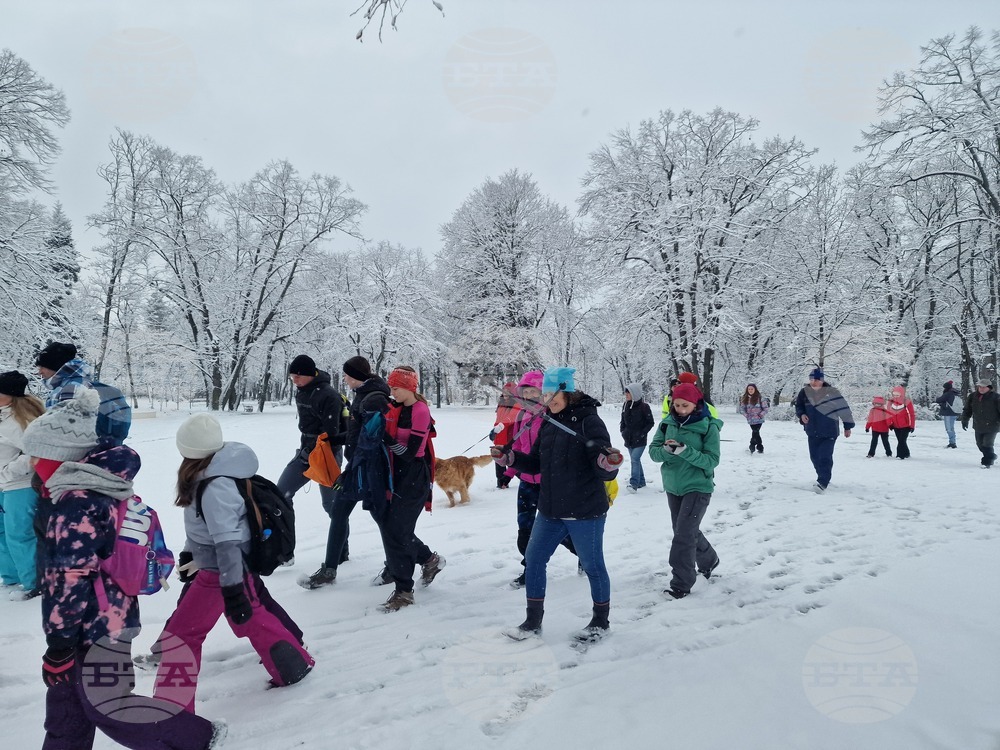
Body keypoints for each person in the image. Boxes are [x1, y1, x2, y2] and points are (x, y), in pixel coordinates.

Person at [22, 389, 225, 750]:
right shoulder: (101, 488)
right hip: (108, 619)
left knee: (112, 707)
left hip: (95, 630)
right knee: (67, 709)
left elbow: (68, 578)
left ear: (57, 457)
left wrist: (59, 645)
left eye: (35, 454)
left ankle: (201, 738)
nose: (31, 463)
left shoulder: (75, 504)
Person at [153, 414, 314, 712]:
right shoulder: (209, 475)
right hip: (226, 568)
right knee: (253, 620)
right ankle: (293, 666)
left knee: (183, 637)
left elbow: (226, 542)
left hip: (221, 572)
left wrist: (232, 588)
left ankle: (171, 712)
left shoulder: (215, 486)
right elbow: (205, 527)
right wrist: (191, 552)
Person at [493, 366, 622, 643]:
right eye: (545, 394)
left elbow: (604, 464)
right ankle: (532, 622)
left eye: (553, 394)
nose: (547, 399)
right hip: (551, 508)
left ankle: (600, 621)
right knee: (535, 559)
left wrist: (607, 463)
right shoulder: (548, 422)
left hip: (585, 510)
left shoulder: (589, 421)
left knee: (593, 565)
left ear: (568, 391)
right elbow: (537, 461)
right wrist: (510, 459)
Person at [376, 366, 445, 612]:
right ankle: (428, 559)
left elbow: (410, 454)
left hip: (414, 477)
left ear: (408, 387)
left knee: (397, 531)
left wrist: (385, 438)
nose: (391, 392)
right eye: (391, 388)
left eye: (395, 388)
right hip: (397, 477)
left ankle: (404, 591)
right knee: (395, 530)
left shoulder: (420, 411)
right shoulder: (398, 408)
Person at [274, 354, 348, 583]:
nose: (294, 379)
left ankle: (341, 551)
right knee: (281, 495)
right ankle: (285, 552)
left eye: (298, 376)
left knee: (332, 505)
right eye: (292, 376)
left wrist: (313, 450)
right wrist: (305, 451)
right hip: (306, 453)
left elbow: (332, 434)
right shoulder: (303, 389)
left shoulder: (329, 396)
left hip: (327, 455)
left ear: (310, 374)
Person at [502, 370, 577, 589]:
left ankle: (581, 552)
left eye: (534, 391)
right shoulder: (520, 416)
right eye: (525, 391)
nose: (528, 395)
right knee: (524, 529)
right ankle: (530, 568)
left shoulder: (551, 418)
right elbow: (516, 445)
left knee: (555, 529)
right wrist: (509, 472)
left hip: (549, 483)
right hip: (526, 481)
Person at [648, 381, 722, 600]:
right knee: (685, 531)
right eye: (676, 405)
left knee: (683, 535)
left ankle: (681, 584)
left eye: (684, 406)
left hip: (698, 486)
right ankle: (709, 560)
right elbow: (653, 453)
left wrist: (685, 451)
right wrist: (666, 451)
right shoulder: (666, 424)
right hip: (673, 486)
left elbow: (712, 461)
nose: (679, 409)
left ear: (696, 405)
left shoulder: (709, 426)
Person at [337, 356, 393, 588]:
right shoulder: (361, 396)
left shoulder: (373, 399)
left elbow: (370, 439)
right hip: (358, 463)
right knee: (341, 510)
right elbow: (358, 432)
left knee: (382, 517)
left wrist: (353, 466)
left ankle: (408, 561)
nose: (345, 379)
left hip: (370, 467)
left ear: (357, 376)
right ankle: (330, 567)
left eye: (347, 375)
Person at [0, 371, 45, 600]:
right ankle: (11, 577)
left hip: (19, 485)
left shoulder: (22, 419)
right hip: (3, 485)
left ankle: (34, 583)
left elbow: (35, 451)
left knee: (20, 534)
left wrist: (9, 470)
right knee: (3, 533)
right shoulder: (3, 415)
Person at [35, 341, 131, 446]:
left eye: (42, 367)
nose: (39, 372)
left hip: (68, 454)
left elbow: (66, 431)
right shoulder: (73, 384)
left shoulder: (72, 388)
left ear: (55, 365)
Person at [794, 367, 854, 493]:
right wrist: (802, 415)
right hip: (812, 430)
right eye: (811, 379)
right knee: (815, 457)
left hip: (829, 431)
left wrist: (847, 426)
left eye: (816, 379)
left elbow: (844, 409)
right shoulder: (804, 392)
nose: (813, 382)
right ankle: (822, 475)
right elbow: (799, 406)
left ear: (822, 380)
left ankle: (823, 482)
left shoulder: (832, 392)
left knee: (825, 456)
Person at [620, 382, 654, 491]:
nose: (626, 395)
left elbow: (650, 422)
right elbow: (622, 420)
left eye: (628, 393)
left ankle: (633, 483)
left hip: (640, 440)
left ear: (634, 393)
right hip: (628, 439)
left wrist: (642, 433)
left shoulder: (644, 407)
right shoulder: (625, 405)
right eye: (625, 393)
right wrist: (623, 431)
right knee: (636, 460)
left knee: (634, 459)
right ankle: (642, 481)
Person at [961, 378, 1000, 469]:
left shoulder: (996, 397)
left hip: (992, 425)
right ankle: (991, 456)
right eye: (980, 387)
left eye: (984, 387)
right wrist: (965, 420)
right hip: (978, 425)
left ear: (989, 388)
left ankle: (987, 462)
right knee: (980, 444)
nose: (981, 389)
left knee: (987, 444)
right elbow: (967, 409)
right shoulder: (973, 396)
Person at [489, 383, 520, 489]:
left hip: (511, 437)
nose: (505, 394)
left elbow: (511, 418)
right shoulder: (501, 404)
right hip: (500, 436)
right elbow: (498, 419)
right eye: (504, 391)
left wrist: (500, 427)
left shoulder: (518, 404)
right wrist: (494, 431)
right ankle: (501, 482)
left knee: (513, 460)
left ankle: (525, 479)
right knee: (498, 458)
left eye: (508, 392)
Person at [736, 383, 770, 454]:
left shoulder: (760, 398)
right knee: (756, 433)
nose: (750, 390)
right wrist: (747, 415)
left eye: (752, 389)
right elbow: (742, 409)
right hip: (751, 420)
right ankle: (759, 447)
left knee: (755, 431)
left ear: (755, 389)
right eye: (749, 389)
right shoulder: (745, 398)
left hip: (759, 419)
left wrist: (760, 415)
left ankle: (753, 446)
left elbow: (766, 408)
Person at [887, 385, 916, 460]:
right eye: (894, 394)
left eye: (898, 395)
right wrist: (890, 424)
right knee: (901, 440)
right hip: (895, 426)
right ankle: (907, 453)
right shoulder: (890, 402)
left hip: (905, 426)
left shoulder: (907, 401)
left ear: (901, 394)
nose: (896, 396)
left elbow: (912, 414)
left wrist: (912, 426)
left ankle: (900, 455)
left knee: (901, 441)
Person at [935, 380, 962, 448]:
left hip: (948, 413)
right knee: (951, 428)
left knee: (949, 428)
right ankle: (952, 442)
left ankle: (952, 443)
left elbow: (938, 400)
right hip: (954, 412)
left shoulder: (948, 394)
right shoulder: (955, 393)